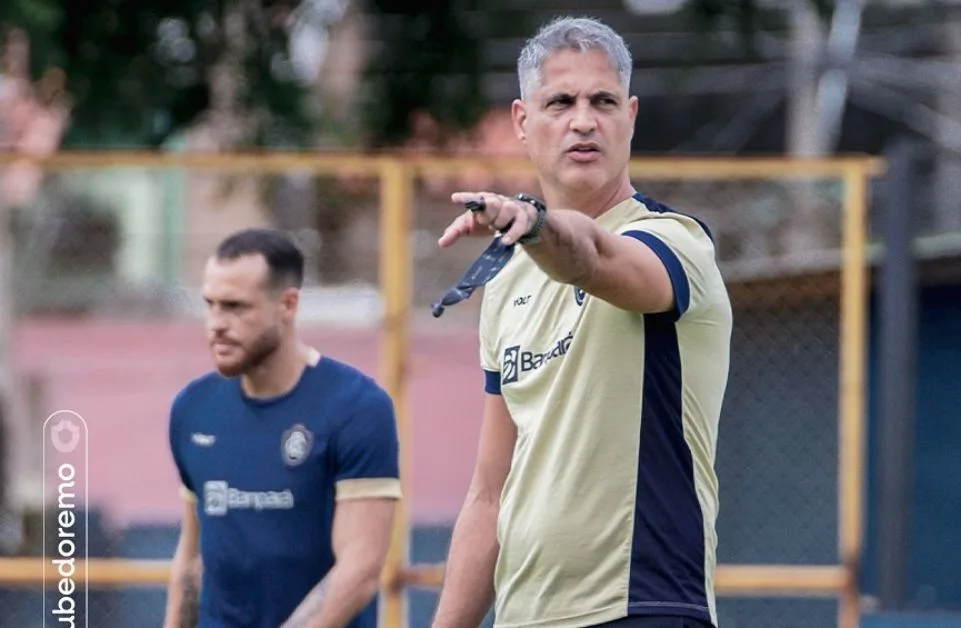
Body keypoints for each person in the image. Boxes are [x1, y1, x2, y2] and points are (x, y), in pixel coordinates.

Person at [431, 16, 733, 628]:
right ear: (522, 121)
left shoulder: (673, 243)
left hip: (642, 607)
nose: (583, 120)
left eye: (604, 101)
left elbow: (592, 257)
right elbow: (491, 492)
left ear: (631, 117)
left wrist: (535, 224)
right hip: (524, 615)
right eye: (561, 102)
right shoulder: (507, 280)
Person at [163, 228, 402, 628]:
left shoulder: (357, 407)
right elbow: (191, 558)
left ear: (287, 305)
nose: (217, 324)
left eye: (236, 307)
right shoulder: (193, 409)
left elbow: (359, 571)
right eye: (211, 305)